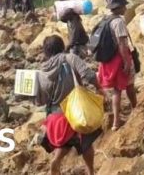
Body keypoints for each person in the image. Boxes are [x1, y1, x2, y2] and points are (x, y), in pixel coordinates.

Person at [35, 35, 100, 175]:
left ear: (46, 52)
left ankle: (56, 160)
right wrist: (101, 90)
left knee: (67, 141)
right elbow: (88, 75)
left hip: (54, 118)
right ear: (62, 46)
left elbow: (39, 101)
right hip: (75, 111)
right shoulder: (70, 58)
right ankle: (90, 171)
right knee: (86, 142)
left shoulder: (41, 72)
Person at [97, 0, 137, 130]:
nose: (126, 7)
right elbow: (122, 44)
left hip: (109, 61)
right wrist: (126, 61)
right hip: (120, 59)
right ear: (119, 7)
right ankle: (135, 110)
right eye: (124, 5)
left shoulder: (106, 20)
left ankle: (116, 122)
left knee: (116, 90)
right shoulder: (118, 22)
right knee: (129, 86)